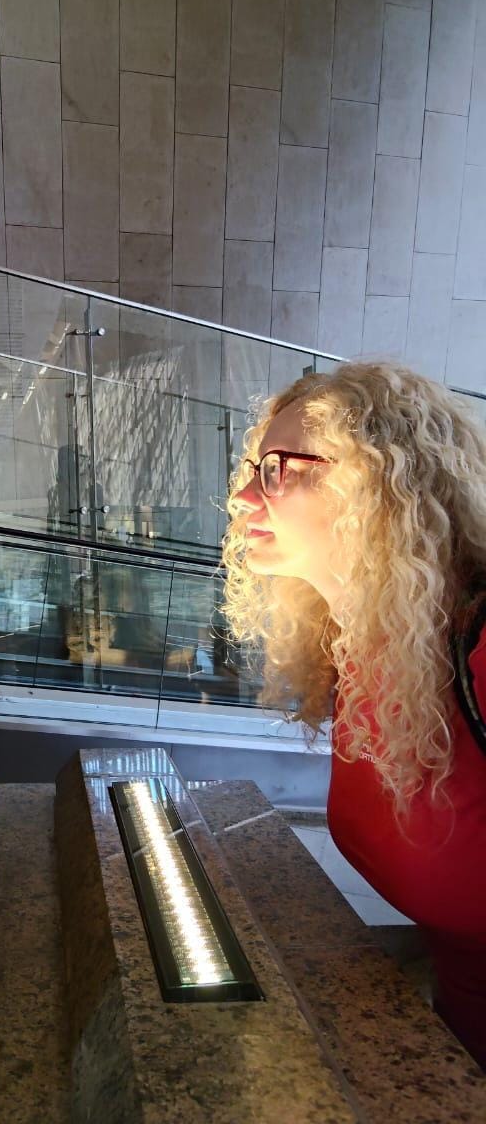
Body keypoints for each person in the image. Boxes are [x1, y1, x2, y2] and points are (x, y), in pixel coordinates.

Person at [223, 361, 486, 1069]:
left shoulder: (480, 648)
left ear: (377, 480)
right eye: (253, 467)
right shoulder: (360, 648)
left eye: (280, 469)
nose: (246, 496)